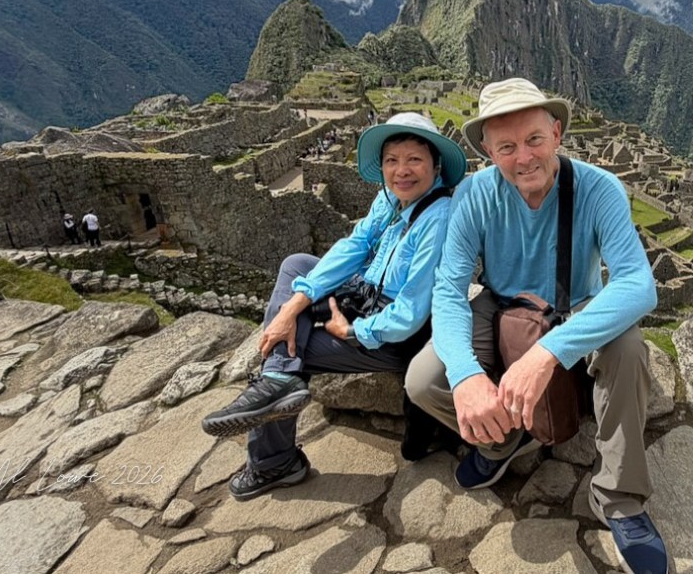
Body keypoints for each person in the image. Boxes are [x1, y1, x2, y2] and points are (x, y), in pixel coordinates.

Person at [405, 78, 668, 574]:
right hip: (502, 302)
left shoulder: (598, 189)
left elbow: (637, 285)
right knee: (425, 380)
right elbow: (449, 288)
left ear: (558, 134)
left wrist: (546, 356)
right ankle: (502, 439)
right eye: (506, 147)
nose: (523, 157)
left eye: (533, 140)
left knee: (629, 349)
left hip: (577, 303)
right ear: (488, 150)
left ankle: (619, 497)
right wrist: (465, 376)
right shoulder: (474, 197)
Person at [201, 112, 468, 501]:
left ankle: (274, 459)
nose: (401, 171)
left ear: (436, 164)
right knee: (296, 266)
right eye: (392, 160)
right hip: (363, 294)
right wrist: (295, 305)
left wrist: (352, 331)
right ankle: (279, 379)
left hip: (392, 332)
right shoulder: (391, 199)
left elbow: (411, 311)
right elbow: (355, 246)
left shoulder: (438, 218)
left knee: (296, 349)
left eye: (414, 160)